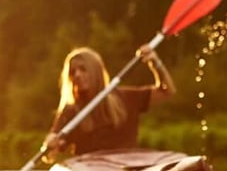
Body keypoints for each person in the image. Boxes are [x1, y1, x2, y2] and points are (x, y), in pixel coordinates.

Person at [42, 44, 176, 162]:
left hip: (128, 167)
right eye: (73, 72)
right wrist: (51, 142)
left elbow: (167, 91)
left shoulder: (126, 97)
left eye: (83, 69)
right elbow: (50, 153)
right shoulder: (71, 111)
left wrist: (155, 63)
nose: (77, 75)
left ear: (96, 71)